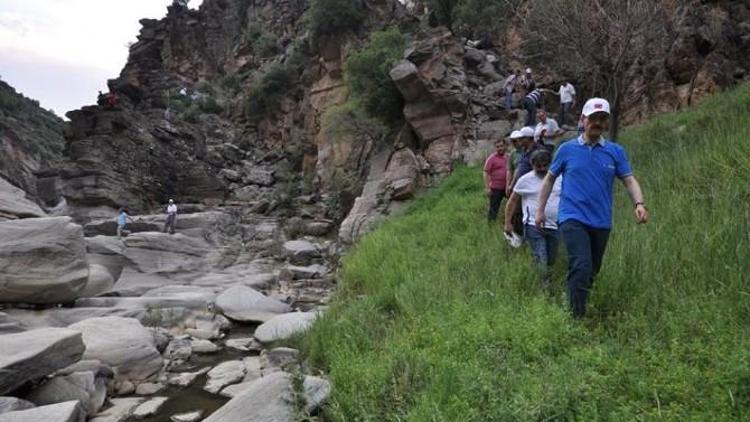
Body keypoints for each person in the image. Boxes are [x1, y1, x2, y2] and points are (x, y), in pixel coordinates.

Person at [535, 98, 649, 318]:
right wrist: (540, 211)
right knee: (581, 265)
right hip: (572, 217)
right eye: (593, 118)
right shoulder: (566, 149)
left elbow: (629, 180)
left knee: (592, 270)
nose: (597, 122)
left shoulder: (615, 152)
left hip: (601, 221)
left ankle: (577, 302)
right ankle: (575, 319)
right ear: (582, 120)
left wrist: (639, 204)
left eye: (602, 119)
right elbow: (549, 180)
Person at [504, 149, 562, 288]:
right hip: (532, 226)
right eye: (538, 166)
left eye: (545, 165)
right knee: (540, 257)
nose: (542, 169)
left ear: (550, 163)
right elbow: (512, 201)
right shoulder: (525, 180)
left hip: (556, 225)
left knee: (551, 258)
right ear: (532, 165)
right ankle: (544, 288)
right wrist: (507, 222)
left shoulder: (560, 178)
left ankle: (543, 280)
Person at [483, 138, 509, 223]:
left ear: (505, 146)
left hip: (507, 187)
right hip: (496, 187)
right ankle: (491, 226)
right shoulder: (492, 158)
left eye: (501, 146)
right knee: (493, 209)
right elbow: (486, 172)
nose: (500, 148)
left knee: (512, 206)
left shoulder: (508, 157)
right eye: (497, 147)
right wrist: (487, 188)